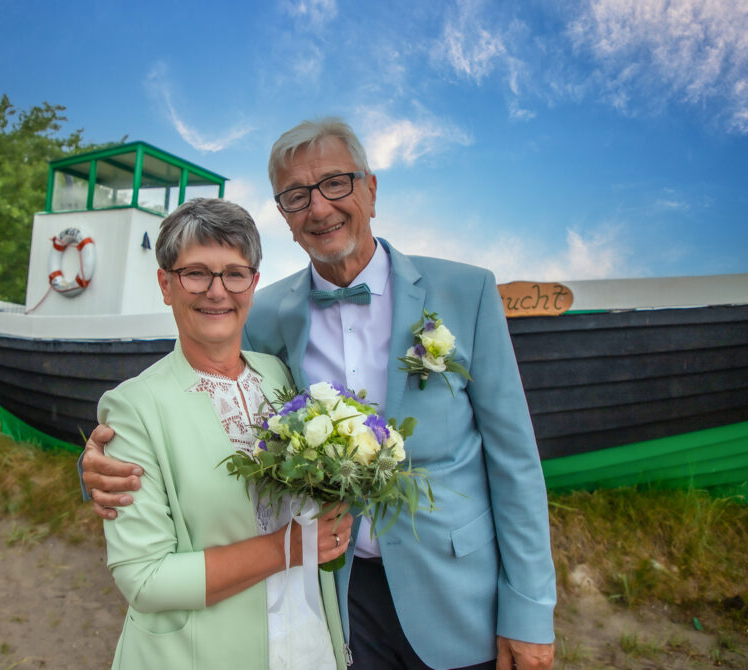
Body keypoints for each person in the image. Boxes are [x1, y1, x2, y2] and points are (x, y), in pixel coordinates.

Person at [83, 120, 556, 670]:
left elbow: (515, 458)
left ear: (371, 190)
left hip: (459, 594)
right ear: (284, 216)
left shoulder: (466, 291)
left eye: (336, 183)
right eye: (296, 196)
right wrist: (99, 465)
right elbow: (205, 392)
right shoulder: (265, 316)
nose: (320, 207)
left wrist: (529, 611)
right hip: (340, 597)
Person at [97, 197, 352, 670]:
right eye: (195, 273)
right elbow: (144, 579)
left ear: (253, 284)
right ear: (165, 284)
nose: (217, 291)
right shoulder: (132, 407)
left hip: (309, 637)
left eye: (234, 273)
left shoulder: (278, 375)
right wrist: (291, 546)